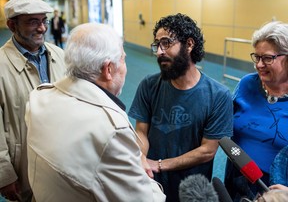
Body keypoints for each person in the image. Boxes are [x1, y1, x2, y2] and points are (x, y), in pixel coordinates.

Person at [25, 23, 166, 202]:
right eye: (123, 59)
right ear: (108, 70)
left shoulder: (39, 97)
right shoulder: (112, 129)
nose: (125, 67)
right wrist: (143, 173)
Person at [128, 13, 233, 202]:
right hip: (152, 184)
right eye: (157, 45)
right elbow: (141, 132)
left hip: (190, 190)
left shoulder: (218, 95)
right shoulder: (149, 85)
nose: (159, 51)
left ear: (189, 44)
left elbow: (207, 151)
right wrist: (142, 158)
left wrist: (159, 164)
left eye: (166, 43)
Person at [0, 0, 66, 202]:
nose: (42, 28)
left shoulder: (61, 56)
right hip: (24, 164)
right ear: (12, 25)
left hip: (63, 157)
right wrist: (4, 174)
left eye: (43, 21)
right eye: (32, 22)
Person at [224, 21, 288, 201]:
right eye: (256, 57)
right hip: (237, 178)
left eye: (267, 58)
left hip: (276, 191)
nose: (259, 65)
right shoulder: (246, 84)